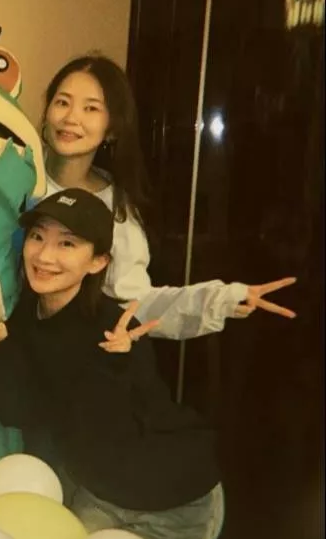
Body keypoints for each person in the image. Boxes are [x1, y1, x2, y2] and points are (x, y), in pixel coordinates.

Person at [0, 188, 224, 539]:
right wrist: (1, 345)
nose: (44, 256)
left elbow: (110, 417)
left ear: (97, 262)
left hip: (171, 505)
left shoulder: (113, 331)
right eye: (38, 236)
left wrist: (119, 361)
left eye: (67, 244)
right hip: (99, 496)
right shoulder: (29, 313)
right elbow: (16, 411)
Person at [37, 53, 297, 337]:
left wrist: (218, 300)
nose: (71, 118)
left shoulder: (114, 207)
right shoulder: (15, 175)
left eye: (91, 108)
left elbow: (137, 303)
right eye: (62, 102)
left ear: (112, 129)